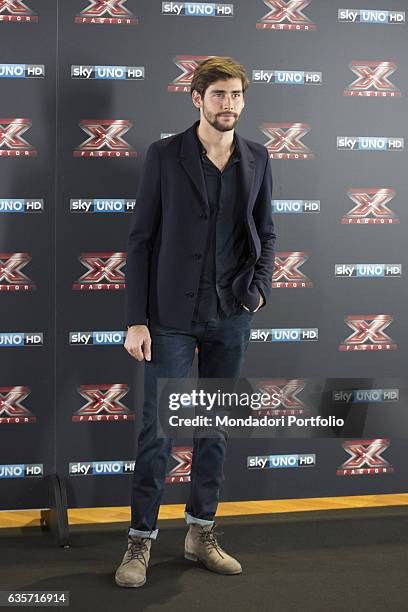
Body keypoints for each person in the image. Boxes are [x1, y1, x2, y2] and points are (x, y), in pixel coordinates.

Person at [115, 56, 276, 588]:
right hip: (170, 319)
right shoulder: (165, 155)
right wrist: (136, 320)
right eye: (218, 94)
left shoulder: (257, 156)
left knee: (215, 429)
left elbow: (266, 230)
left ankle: (200, 532)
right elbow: (139, 241)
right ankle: (140, 542)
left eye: (236, 95)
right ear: (196, 98)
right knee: (158, 431)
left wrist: (259, 290)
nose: (228, 104)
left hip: (231, 315)